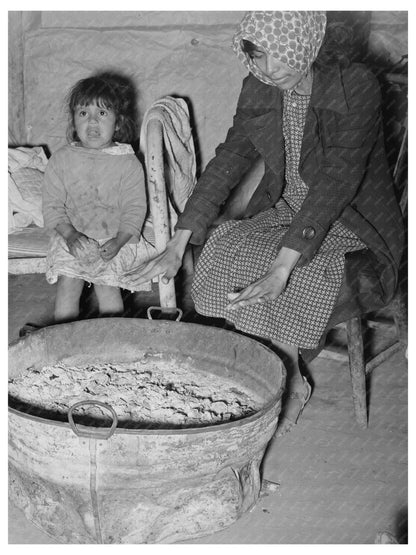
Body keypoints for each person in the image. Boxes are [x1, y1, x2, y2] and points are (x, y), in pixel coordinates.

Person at [125, 12, 404, 435]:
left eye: (282, 57)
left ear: (307, 44)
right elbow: (228, 161)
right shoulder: (259, 86)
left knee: (296, 273)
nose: (271, 70)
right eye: (260, 57)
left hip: (353, 219)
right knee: (223, 245)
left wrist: (281, 267)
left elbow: (337, 181)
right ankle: (266, 365)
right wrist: (178, 243)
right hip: (290, 206)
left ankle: (290, 376)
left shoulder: (356, 86)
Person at [42, 71, 149, 323]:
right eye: (83, 114)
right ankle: (64, 344)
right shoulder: (61, 160)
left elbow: (135, 208)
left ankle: (111, 343)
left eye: (102, 113)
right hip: (71, 232)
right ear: (73, 121)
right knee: (69, 283)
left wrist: (119, 241)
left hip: (113, 238)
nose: (92, 122)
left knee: (107, 287)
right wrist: (70, 235)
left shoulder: (127, 162)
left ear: (118, 121)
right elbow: (52, 206)